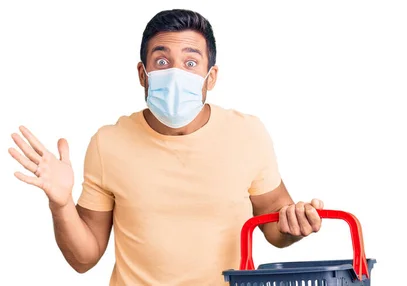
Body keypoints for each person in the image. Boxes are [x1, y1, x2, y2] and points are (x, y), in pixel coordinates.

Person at [8, 9, 324, 286]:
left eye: (190, 62)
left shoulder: (248, 133)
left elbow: (274, 226)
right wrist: (61, 204)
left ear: (210, 77)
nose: (175, 74)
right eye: (162, 61)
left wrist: (295, 224)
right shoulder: (108, 143)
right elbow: (84, 259)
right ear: (142, 74)